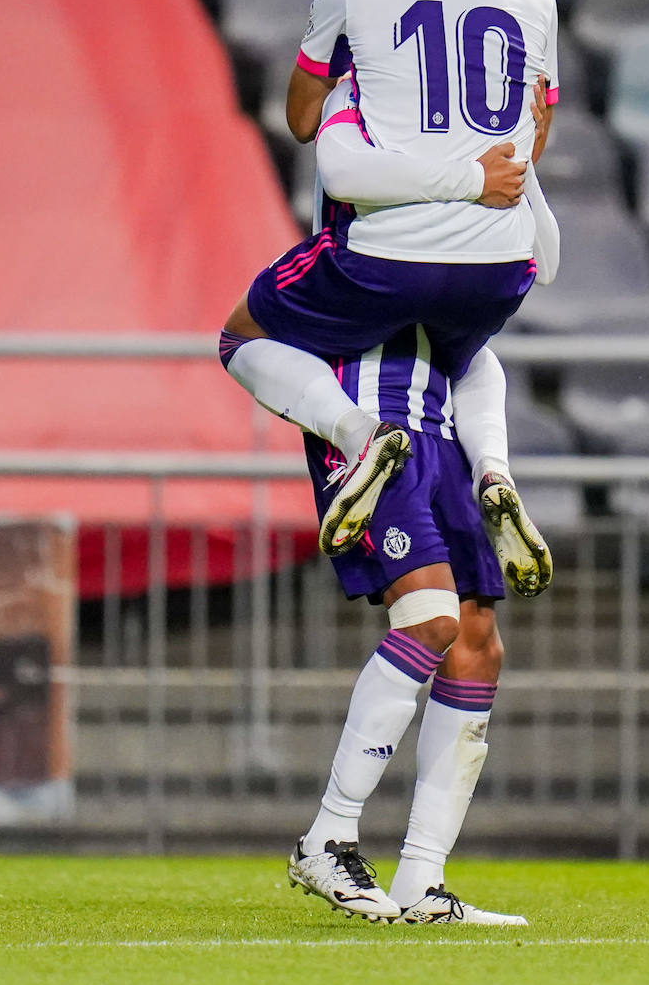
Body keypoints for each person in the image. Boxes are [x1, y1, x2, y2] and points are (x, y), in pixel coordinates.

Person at [220, 83, 559, 925]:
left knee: (477, 644)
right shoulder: (378, 112)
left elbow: (532, 269)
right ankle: (326, 840)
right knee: (433, 621)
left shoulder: (478, 138)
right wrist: (474, 181)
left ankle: (422, 879)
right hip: (368, 393)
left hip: (438, 416)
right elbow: (335, 157)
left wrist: (522, 164)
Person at [222, 0, 559, 572]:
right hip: (503, 265)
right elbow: (538, 133)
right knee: (468, 355)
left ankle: (358, 437)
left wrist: (357, 91)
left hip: (386, 258)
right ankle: (495, 472)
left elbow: (302, 120)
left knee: (244, 336)